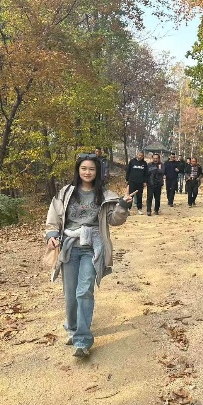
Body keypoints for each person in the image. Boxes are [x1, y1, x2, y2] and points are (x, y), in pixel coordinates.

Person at [45, 153, 135, 358]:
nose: (87, 172)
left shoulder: (105, 195)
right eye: (84, 168)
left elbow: (114, 220)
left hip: (92, 248)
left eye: (92, 169)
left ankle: (82, 340)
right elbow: (53, 219)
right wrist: (51, 235)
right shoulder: (65, 193)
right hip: (69, 247)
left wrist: (123, 205)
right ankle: (73, 328)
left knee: (84, 291)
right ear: (78, 170)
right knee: (70, 294)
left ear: (98, 172)